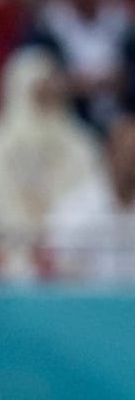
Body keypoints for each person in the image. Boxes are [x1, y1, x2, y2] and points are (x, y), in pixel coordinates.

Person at [0, 47, 105, 275]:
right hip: (10, 253)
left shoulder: (81, 143)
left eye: (52, 92)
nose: (48, 98)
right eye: (40, 93)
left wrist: (55, 239)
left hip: (71, 255)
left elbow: (90, 200)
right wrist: (29, 243)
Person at [30, 0, 135, 131]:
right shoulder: (45, 25)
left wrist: (124, 81)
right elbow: (30, 82)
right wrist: (72, 85)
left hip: (122, 120)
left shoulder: (125, 19)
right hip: (65, 121)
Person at [49, 108, 135, 279]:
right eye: (130, 153)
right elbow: (60, 276)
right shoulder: (74, 209)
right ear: (111, 153)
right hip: (86, 302)